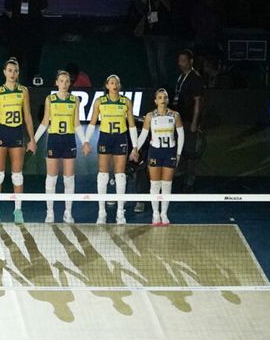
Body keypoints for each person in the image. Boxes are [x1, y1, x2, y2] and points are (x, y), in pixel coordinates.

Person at [0, 58, 35, 225]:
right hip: (1, 132)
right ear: (4, 72)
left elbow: (28, 116)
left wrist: (32, 139)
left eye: (15, 71)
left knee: (17, 175)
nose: (12, 73)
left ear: (18, 73)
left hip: (17, 133)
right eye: (9, 70)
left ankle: (18, 210)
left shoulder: (23, 91)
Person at [33, 70, 84, 224]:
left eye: (67, 81)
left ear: (70, 84)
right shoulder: (50, 99)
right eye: (61, 81)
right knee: (51, 178)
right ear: (56, 83)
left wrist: (85, 141)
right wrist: (33, 140)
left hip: (69, 140)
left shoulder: (74, 100)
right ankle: (50, 213)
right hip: (54, 140)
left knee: (69, 179)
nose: (64, 84)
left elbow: (76, 123)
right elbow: (44, 121)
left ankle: (68, 213)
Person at [86, 75, 138, 225]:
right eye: (112, 82)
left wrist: (134, 147)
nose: (115, 85)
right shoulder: (100, 102)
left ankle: (120, 212)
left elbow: (132, 125)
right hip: (105, 138)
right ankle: (101, 212)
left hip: (120, 138)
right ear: (107, 85)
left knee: (120, 175)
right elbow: (92, 122)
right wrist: (86, 141)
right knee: (103, 175)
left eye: (117, 82)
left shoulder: (126, 102)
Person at [132, 88, 184, 226]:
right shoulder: (150, 116)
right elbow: (143, 134)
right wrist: (135, 149)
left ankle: (164, 213)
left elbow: (181, 135)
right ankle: (155, 213)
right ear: (155, 101)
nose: (163, 100)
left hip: (170, 153)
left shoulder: (175, 115)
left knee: (166, 185)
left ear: (168, 100)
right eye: (160, 97)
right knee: (155, 184)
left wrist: (178, 153)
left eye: (165, 97)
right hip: (155, 152)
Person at [3, 0, 48, 84]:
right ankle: (13, 82)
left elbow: (44, 9)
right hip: (17, 31)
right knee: (16, 57)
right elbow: (7, 9)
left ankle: (32, 82)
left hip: (34, 31)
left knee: (33, 58)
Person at [171, 49, 204, 190]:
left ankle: (190, 179)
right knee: (179, 147)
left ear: (191, 61)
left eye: (184, 60)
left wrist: (195, 122)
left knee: (190, 150)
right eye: (179, 61)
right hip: (179, 119)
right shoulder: (181, 77)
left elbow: (198, 101)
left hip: (189, 120)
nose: (181, 63)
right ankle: (180, 173)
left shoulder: (195, 78)